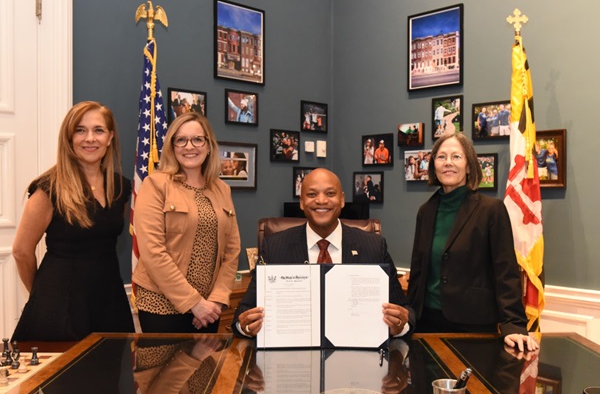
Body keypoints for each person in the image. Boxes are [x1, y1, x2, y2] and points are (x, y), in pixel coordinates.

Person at [232, 168, 412, 338]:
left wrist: (400, 326)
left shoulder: (374, 246)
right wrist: (246, 326)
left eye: (330, 193)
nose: (321, 200)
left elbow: (405, 312)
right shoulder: (274, 246)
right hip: (293, 359)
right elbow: (243, 313)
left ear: (342, 200)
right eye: (312, 194)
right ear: (302, 202)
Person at [11, 101, 134, 341]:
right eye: (80, 130)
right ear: (69, 138)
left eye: (98, 130)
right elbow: (21, 251)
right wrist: (43, 294)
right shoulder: (49, 189)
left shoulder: (121, 187)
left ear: (109, 138)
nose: (90, 138)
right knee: (62, 378)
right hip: (60, 305)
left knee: (108, 375)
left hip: (110, 301)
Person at [407, 132, 538, 352]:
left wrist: (514, 324)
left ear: (469, 166)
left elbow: (505, 272)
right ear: (433, 166)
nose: (448, 162)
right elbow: (418, 270)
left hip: (473, 325)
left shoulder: (491, 210)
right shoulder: (426, 211)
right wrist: (408, 314)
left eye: (456, 156)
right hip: (426, 323)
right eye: (441, 157)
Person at [132, 112, 241, 333]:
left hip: (209, 309)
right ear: (172, 147)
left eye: (197, 139)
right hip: (161, 307)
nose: (189, 146)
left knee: (205, 368)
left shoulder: (222, 189)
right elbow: (153, 252)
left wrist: (216, 301)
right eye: (181, 140)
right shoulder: (156, 185)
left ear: (209, 145)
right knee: (164, 369)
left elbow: (232, 251)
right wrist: (194, 303)